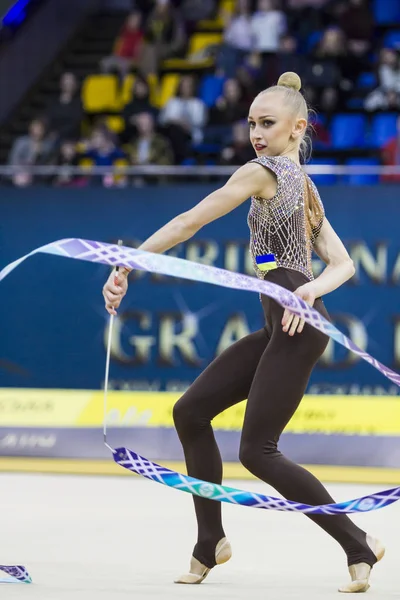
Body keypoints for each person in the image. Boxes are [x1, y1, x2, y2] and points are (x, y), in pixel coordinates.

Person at [102, 71, 385, 593]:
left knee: (258, 451)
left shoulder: (267, 173)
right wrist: (309, 289)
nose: (256, 133)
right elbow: (342, 266)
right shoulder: (303, 185)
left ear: (297, 128)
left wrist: (126, 262)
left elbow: (192, 220)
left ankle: (356, 543)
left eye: (268, 123)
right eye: (252, 123)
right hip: (283, 322)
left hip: (297, 325)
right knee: (190, 412)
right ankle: (210, 540)